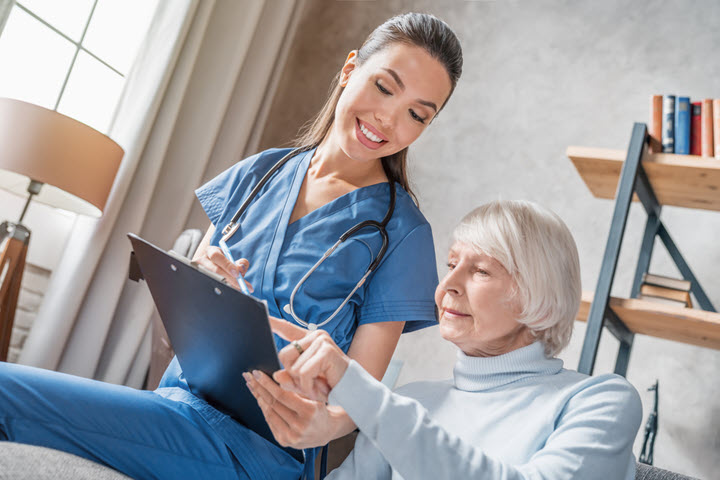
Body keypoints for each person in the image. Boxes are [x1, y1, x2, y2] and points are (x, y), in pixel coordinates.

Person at [0, 12, 463, 480]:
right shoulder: (261, 172)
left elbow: (364, 393)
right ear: (349, 70)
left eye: (417, 114)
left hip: (256, 450)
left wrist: (324, 426)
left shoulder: (400, 233)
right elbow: (192, 297)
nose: (388, 118)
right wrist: (206, 282)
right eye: (385, 87)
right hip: (176, 404)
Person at [245, 200, 643, 480]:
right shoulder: (414, 401)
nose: (447, 284)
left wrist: (360, 391)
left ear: (537, 292)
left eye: (481, 271)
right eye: (451, 264)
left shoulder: (600, 401)